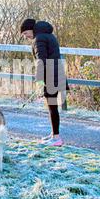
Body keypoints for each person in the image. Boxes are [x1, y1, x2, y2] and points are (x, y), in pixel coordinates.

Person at [20, 18, 69, 147]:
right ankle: (54, 134)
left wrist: (40, 79)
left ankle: (57, 138)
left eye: (25, 33)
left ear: (31, 29)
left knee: (52, 107)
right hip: (56, 73)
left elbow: (41, 60)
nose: (26, 36)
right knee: (52, 106)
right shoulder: (47, 35)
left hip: (50, 76)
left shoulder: (38, 39)